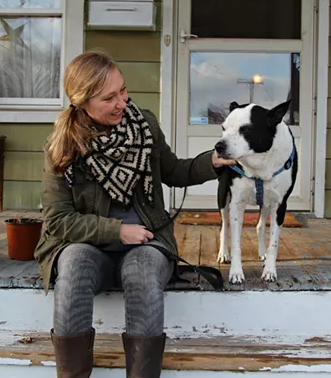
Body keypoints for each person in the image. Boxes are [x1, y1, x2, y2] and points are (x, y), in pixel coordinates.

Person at [34, 50, 235, 378]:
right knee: (73, 264)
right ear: (82, 102)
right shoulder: (62, 145)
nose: (122, 103)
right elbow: (58, 220)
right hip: (88, 247)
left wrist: (211, 161)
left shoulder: (145, 125)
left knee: (142, 270)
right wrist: (117, 231)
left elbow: (174, 171)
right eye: (109, 97)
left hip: (146, 244)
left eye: (123, 91)